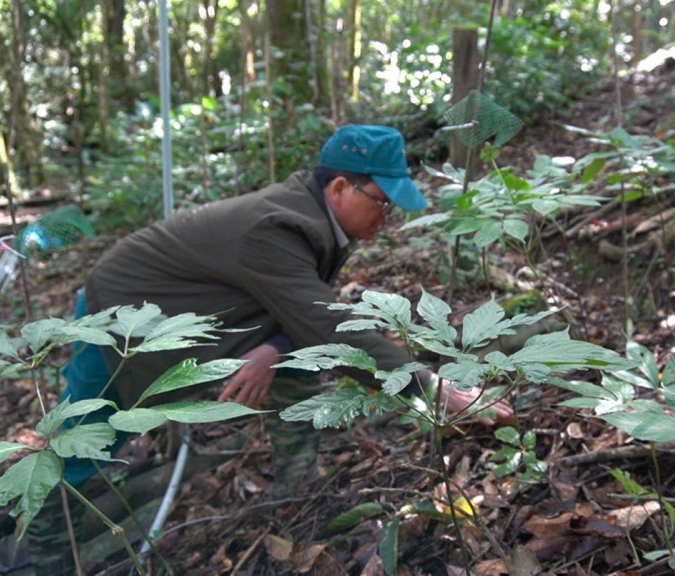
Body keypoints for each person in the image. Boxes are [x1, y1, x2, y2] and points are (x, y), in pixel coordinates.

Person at [27, 125, 511, 572]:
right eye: (382, 202)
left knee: (298, 362)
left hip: (192, 312)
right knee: (88, 437)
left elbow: (300, 308)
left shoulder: (320, 218)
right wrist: (428, 385)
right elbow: (326, 322)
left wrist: (274, 347)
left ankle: (297, 487)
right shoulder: (278, 227)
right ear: (340, 187)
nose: (387, 216)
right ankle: (42, 548)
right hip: (118, 311)